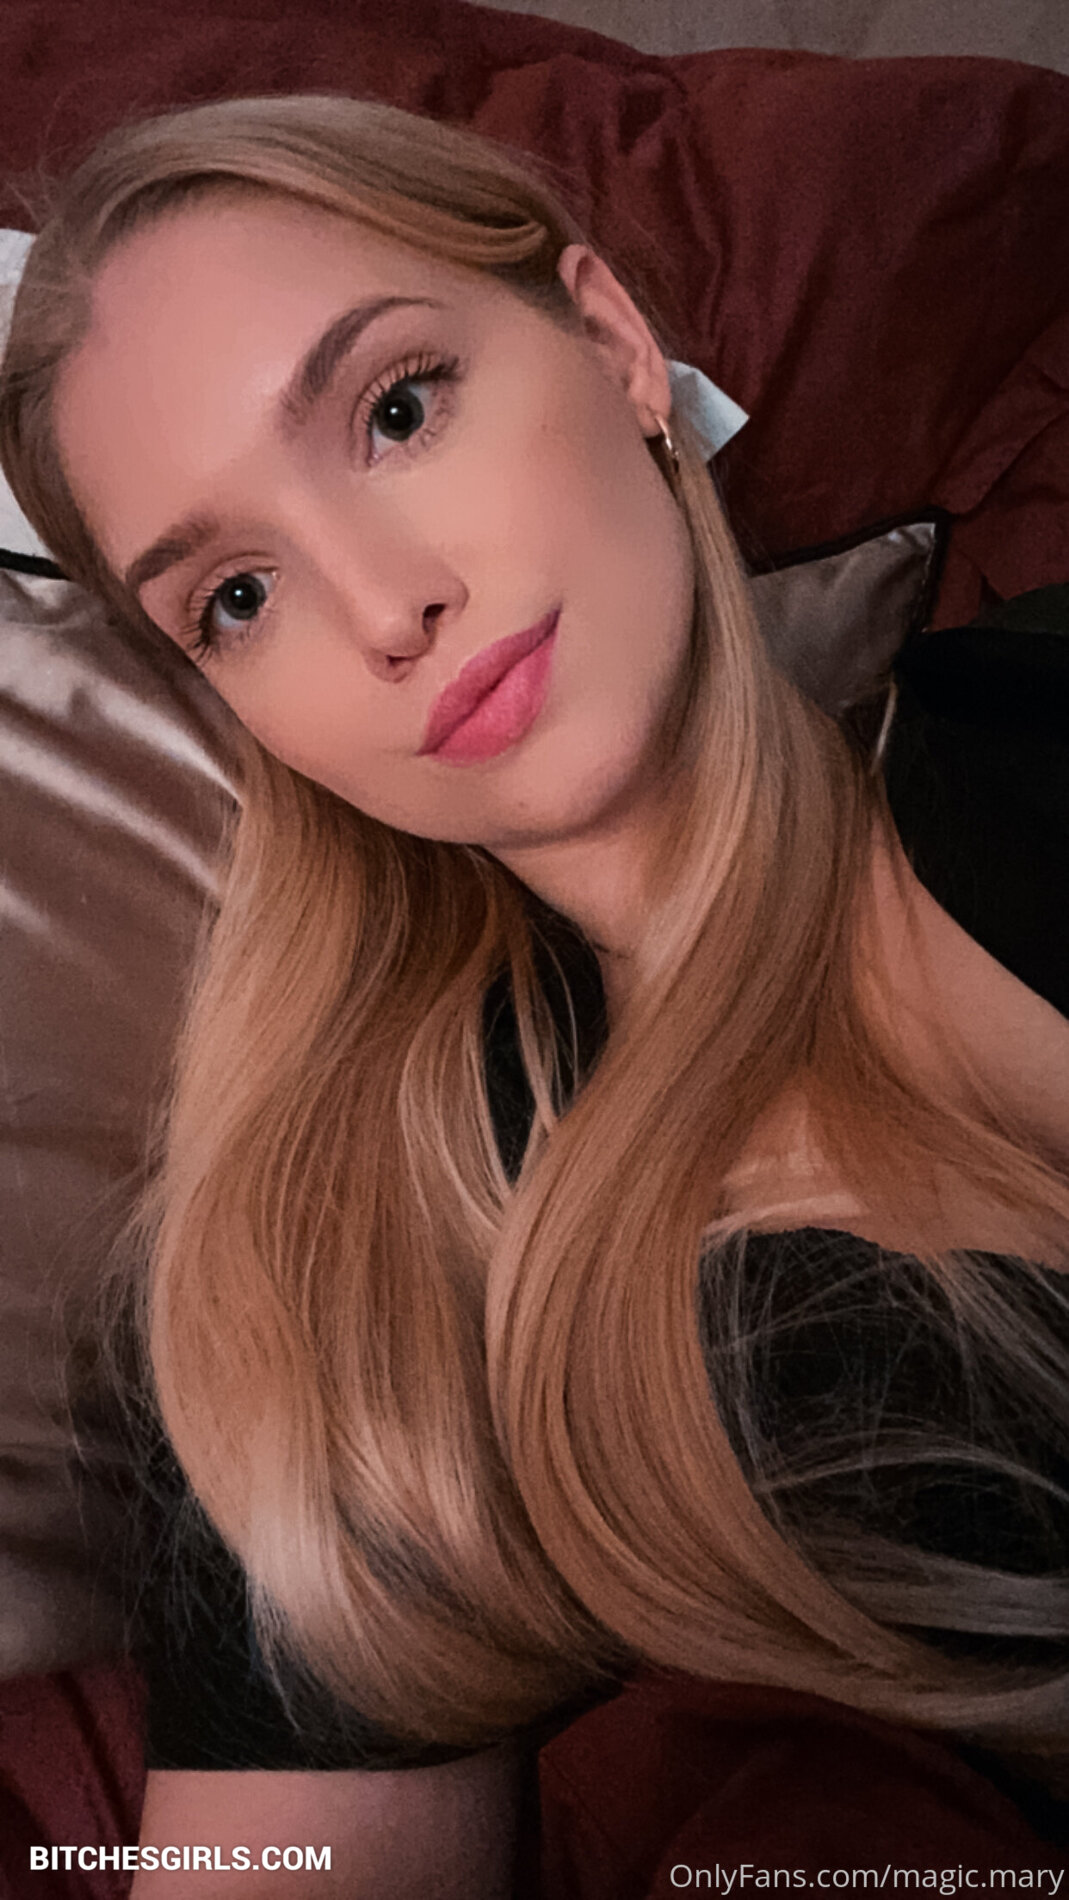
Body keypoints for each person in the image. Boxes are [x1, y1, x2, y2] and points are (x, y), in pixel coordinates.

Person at [1, 92, 1068, 1896]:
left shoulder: (1033, 719)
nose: (382, 608)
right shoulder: (345, 1266)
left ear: (613, 347)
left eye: (395, 412)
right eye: (238, 594)